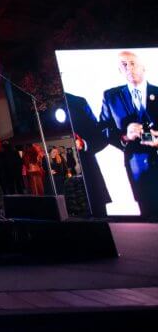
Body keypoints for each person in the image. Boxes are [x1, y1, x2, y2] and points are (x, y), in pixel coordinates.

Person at [98, 51, 158, 218]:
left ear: (144, 67)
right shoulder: (110, 97)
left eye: (132, 63)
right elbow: (102, 131)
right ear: (119, 70)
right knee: (149, 218)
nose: (129, 68)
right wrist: (125, 136)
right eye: (124, 65)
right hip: (137, 168)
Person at [65, 92, 110, 216]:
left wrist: (83, 144)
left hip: (89, 184)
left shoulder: (76, 102)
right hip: (62, 193)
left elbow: (100, 137)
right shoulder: (31, 106)